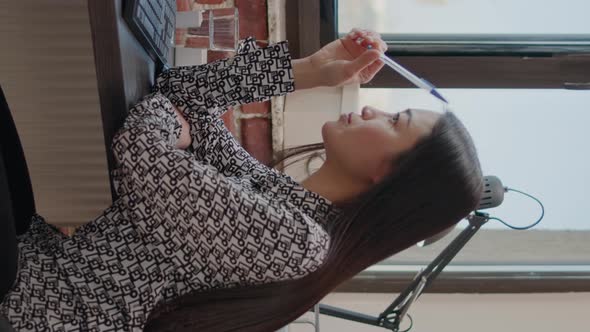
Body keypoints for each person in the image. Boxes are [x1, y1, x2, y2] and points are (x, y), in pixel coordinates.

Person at [0, 28, 483, 332]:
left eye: (396, 121)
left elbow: (138, 147)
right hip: (36, 260)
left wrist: (169, 130)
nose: (374, 108)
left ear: (389, 178)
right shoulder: (275, 195)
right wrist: (311, 72)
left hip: (33, 305)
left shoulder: (297, 244)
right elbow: (179, 93)